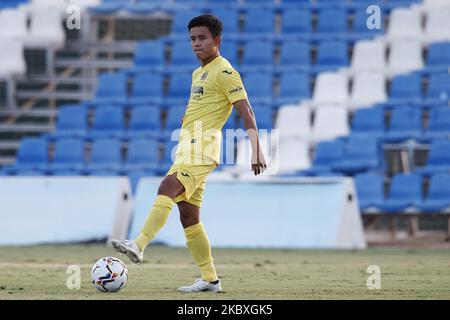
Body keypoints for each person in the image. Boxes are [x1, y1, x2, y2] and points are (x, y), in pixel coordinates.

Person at [111, 14, 267, 293]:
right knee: (189, 218)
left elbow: (246, 111)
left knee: (167, 186)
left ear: (217, 40)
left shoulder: (226, 72)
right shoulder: (199, 72)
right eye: (192, 39)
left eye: (202, 38)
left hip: (203, 149)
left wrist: (256, 149)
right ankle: (210, 279)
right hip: (186, 147)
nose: (196, 44)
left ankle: (139, 244)